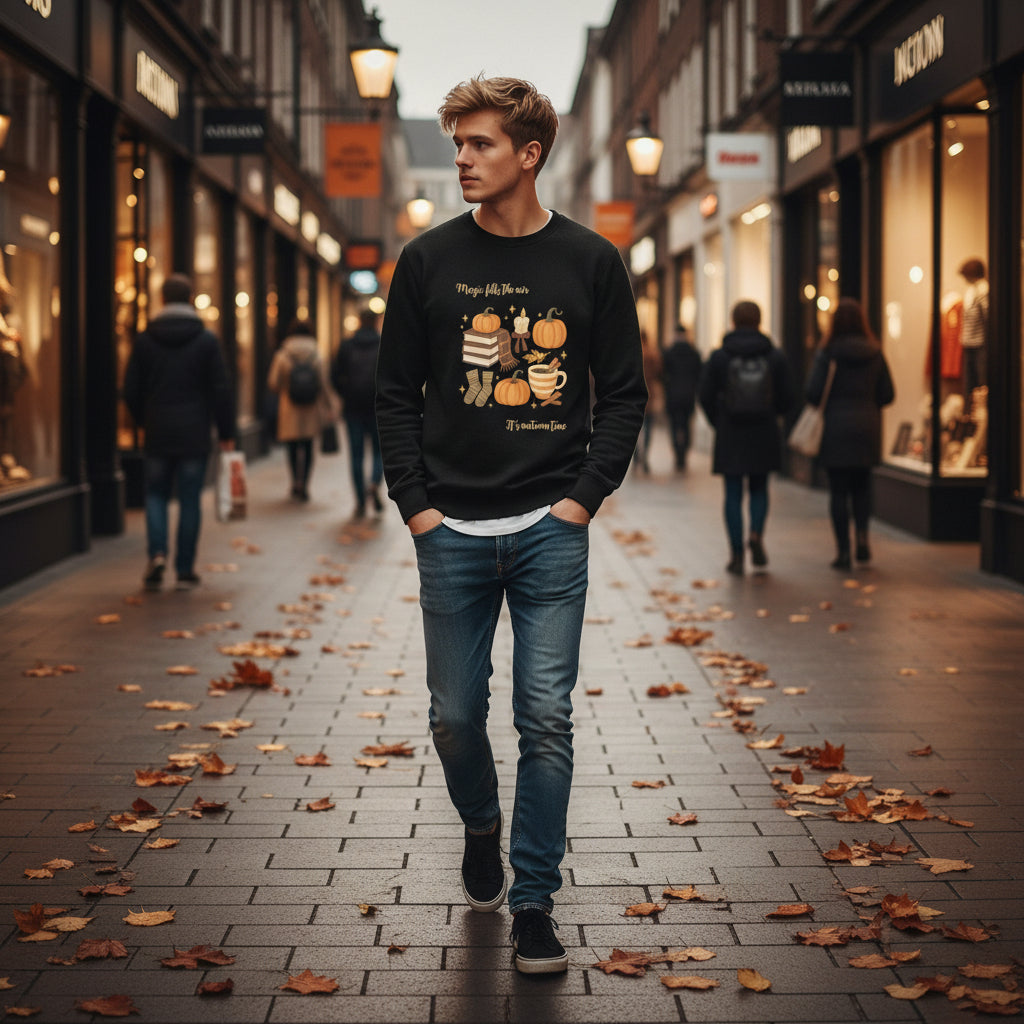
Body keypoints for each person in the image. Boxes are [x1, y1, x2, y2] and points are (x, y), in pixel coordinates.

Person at [376, 75, 646, 974]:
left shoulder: (591, 262)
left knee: (545, 717)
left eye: (480, 143)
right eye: (457, 143)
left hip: (548, 527)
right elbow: (392, 396)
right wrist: (416, 506)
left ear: (529, 154)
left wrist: (581, 499)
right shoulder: (426, 261)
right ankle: (482, 827)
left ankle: (534, 901)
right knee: (456, 718)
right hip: (449, 527)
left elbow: (624, 397)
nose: (461, 158)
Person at [123, 273, 235, 591]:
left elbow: (130, 390)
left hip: (158, 431)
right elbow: (220, 390)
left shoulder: (145, 340)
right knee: (189, 499)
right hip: (195, 432)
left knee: (156, 495)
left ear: (161, 300)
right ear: (189, 300)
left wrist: (145, 420)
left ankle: (157, 554)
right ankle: (185, 568)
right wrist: (226, 431)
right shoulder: (206, 340)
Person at [698, 300, 794, 575]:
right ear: (759, 321)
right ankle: (756, 535)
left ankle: (737, 554)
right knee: (760, 488)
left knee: (732, 492)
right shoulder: (774, 355)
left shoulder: (720, 356)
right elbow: (789, 397)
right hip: (763, 431)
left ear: (733, 321)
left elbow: (704, 395)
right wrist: (773, 414)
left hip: (730, 432)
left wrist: (719, 421)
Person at [806, 297, 895, 569]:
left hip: (835, 427)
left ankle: (843, 551)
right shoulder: (875, 352)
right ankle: (863, 540)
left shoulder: (827, 353)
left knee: (838, 491)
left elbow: (812, 392)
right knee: (862, 488)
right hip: (866, 427)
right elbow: (888, 394)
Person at [266, 316, 333, 502]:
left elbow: (273, 382)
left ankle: (295, 481)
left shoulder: (283, 355)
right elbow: (324, 383)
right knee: (308, 446)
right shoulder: (316, 354)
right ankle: (305, 484)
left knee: (292, 447)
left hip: (290, 408)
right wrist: (330, 406)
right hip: (311, 408)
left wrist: (286, 388)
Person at [331, 308, 384, 519]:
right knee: (380, 453)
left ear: (359, 322)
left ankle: (361, 502)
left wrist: (345, 394)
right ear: (375, 322)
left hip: (352, 408)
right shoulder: (384, 343)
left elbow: (334, 375)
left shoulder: (346, 345)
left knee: (356, 455)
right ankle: (374, 483)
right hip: (377, 407)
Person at [661, 324, 702, 471]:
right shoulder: (694, 353)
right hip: (689, 395)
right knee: (686, 425)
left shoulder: (669, 352)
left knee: (674, 425)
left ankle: (678, 453)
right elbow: (699, 375)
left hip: (673, 395)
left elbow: (662, 374)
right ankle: (683, 453)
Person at [958, 257, 988, 400]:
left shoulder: (982, 290)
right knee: (969, 384)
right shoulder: (971, 291)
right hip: (969, 342)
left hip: (979, 343)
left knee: (979, 383)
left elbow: (987, 316)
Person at [633, 331, 662, 474]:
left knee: (634, 428)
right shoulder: (653, 353)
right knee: (648, 428)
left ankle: (636, 455)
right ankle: (645, 456)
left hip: (634, 394)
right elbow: (659, 371)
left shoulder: (634, 353)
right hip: (649, 394)